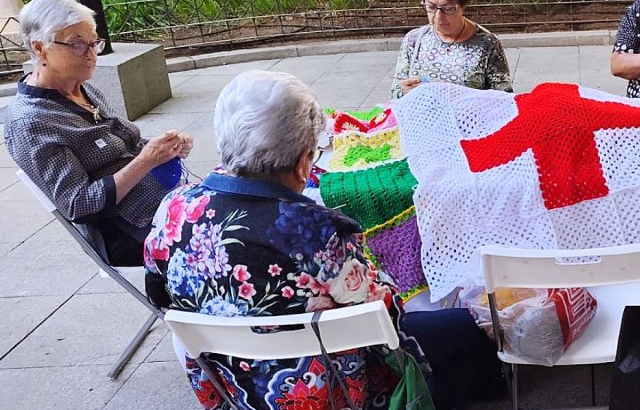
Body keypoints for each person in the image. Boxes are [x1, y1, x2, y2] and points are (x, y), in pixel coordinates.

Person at [145, 70, 503, 410]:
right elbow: (386, 317)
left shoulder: (173, 209)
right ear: (304, 164)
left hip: (233, 386)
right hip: (333, 390)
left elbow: (158, 290)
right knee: (464, 328)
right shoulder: (321, 233)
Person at [4, 0, 192, 266]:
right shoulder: (31, 122)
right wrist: (145, 161)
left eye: (94, 43)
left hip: (163, 202)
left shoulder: (81, 87)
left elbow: (123, 144)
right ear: (39, 47)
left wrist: (164, 148)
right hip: (128, 229)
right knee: (236, 232)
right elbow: (78, 204)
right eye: (77, 44)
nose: (91, 54)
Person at [391, 0, 512, 97]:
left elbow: (505, 99)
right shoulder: (414, 40)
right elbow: (394, 94)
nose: (438, 16)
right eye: (430, 7)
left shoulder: (487, 44)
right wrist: (403, 91)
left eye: (448, 8)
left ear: (463, 4)